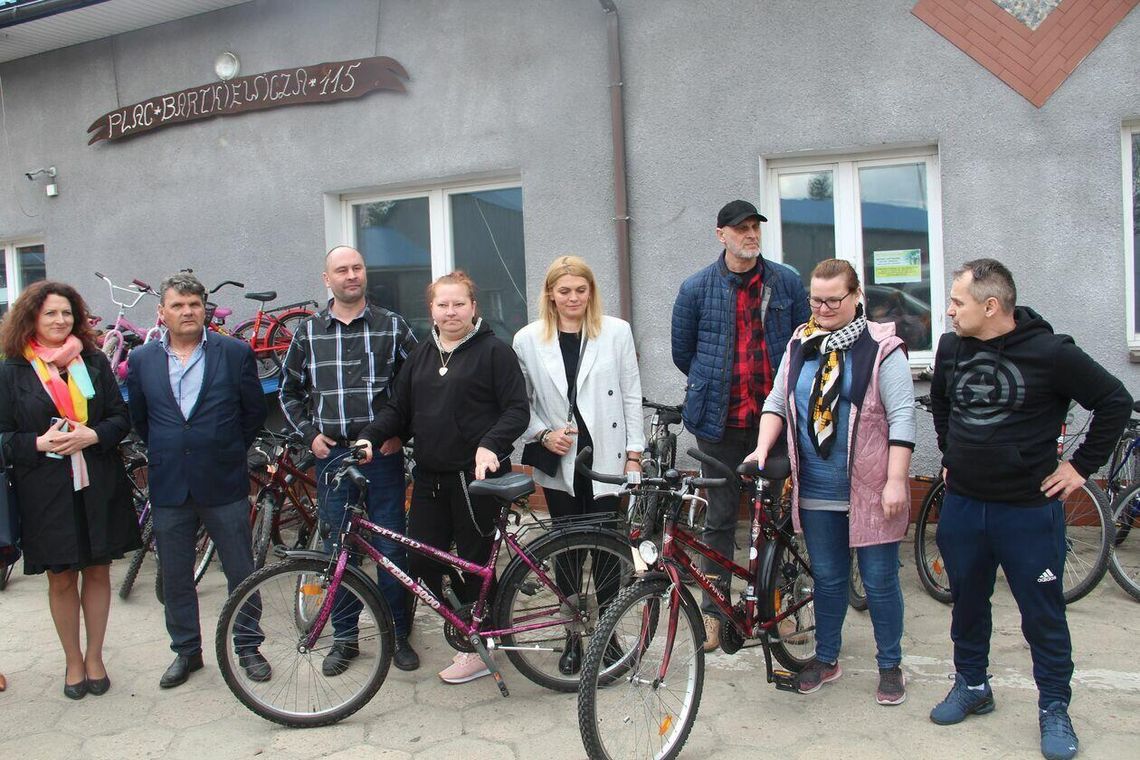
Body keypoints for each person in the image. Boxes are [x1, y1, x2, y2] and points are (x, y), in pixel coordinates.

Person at [929, 259, 1132, 760]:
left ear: (991, 305)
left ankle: (1055, 708)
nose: (949, 311)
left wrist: (1080, 467)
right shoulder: (952, 347)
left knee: (1042, 614)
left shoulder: (1051, 352)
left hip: (1025, 512)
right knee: (968, 604)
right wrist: (952, 454)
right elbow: (941, 403)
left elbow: (1114, 400)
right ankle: (973, 686)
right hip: (963, 508)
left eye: (958, 302)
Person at [745, 259, 914, 705]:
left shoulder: (882, 349)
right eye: (815, 299)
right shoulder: (800, 344)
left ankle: (890, 664)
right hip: (817, 486)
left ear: (856, 297)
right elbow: (777, 401)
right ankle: (827, 658)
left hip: (872, 489)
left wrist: (897, 480)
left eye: (832, 300)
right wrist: (763, 448)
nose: (821, 308)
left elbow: (902, 419)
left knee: (879, 581)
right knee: (828, 578)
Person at [355, 271, 529, 685]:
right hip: (430, 477)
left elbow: (516, 410)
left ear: (474, 307)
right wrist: (370, 436)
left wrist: (491, 444)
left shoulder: (494, 352)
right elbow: (398, 408)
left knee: (472, 563)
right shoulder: (422, 354)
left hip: (476, 481)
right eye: (442, 305)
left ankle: (478, 641)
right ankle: (477, 615)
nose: (450, 312)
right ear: (431, 309)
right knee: (421, 559)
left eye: (458, 304)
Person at [671, 199, 811, 651]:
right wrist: (714, 382)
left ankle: (776, 606)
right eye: (741, 228)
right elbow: (683, 353)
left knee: (776, 518)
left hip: (774, 424)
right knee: (719, 519)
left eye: (755, 227)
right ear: (721, 235)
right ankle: (715, 613)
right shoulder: (695, 289)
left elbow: (803, 344)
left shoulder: (786, 283)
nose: (750, 235)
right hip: (718, 424)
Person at [279, 245, 420, 674]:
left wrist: (400, 434)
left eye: (357, 268)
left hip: (381, 456)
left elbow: (417, 387)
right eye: (342, 270)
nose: (351, 275)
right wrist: (310, 436)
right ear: (328, 280)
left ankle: (397, 634)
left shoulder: (391, 327)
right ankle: (345, 638)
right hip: (334, 459)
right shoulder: (308, 332)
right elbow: (289, 392)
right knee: (336, 549)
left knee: (390, 547)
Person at [126, 272, 268, 689]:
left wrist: (223, 449)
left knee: (241, 569)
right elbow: (141, 419)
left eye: (194, 305)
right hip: (169, 483)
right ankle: (186, 652)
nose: (187, 312)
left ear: (205, 309)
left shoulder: (234, 352)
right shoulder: (142, 360)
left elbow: (253, 413)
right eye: (177, 305)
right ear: (162, 312)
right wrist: (170, 449)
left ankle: (248, 647)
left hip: (223, 481)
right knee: (175, 574)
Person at [0, 281, 142, 699]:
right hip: (44, 491)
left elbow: (121, 419)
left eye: (66, 313)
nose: (60, 321)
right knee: (61, 577)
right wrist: (38, 443)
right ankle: (73, 661)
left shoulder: (93, 362)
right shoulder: (12, 370)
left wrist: (91, 435)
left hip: (98, 482)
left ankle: (95, 657)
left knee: (98, 571)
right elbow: (3, 435)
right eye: (50, 314)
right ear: (31, 319)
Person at [512, 255, 644, 674]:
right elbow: (522, 404)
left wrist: (636, 454)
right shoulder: (528, 339)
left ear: (591, 292)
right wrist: (541, 434)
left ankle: (607, 636)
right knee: (565, 551)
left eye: (580, 290)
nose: (573, 298)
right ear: (550, 293)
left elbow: (630, 394)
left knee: (606, 549)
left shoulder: (616, 331)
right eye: (564, 290)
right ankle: (572, 634)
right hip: (559, 455)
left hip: (606, 453)